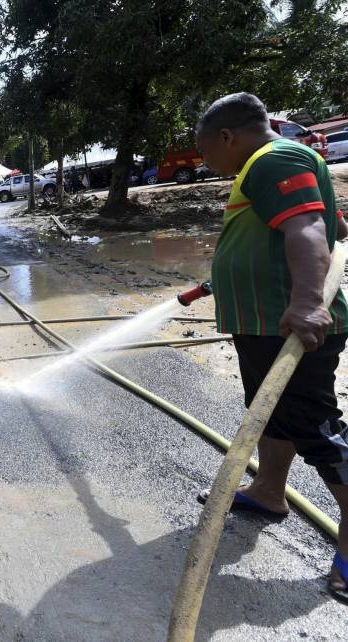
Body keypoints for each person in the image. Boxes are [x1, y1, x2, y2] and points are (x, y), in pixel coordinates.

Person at [196, 92, 348, 603]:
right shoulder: (272, 164)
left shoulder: (274, 157)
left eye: (206, 153)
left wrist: (308, 302)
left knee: (316, 429)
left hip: (292, 328)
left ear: (226, 137)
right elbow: (332, 225)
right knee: (269, 414)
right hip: (264, 326)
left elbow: (308, 228)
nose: (206, 164)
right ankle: (268, 492)